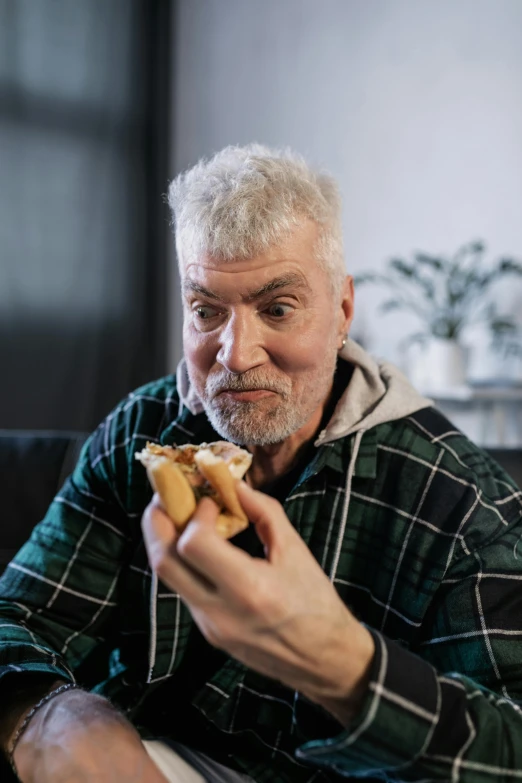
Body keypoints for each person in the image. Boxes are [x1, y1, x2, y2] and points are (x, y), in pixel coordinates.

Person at [1, 144, 522, 783]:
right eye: (206, 311)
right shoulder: (142, 430)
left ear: (342, 312)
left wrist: (343, 665)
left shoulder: (462, 503)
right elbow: (19, 615)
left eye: (277, 309)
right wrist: (50, 717)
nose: (236, 355)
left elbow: (510, 744)